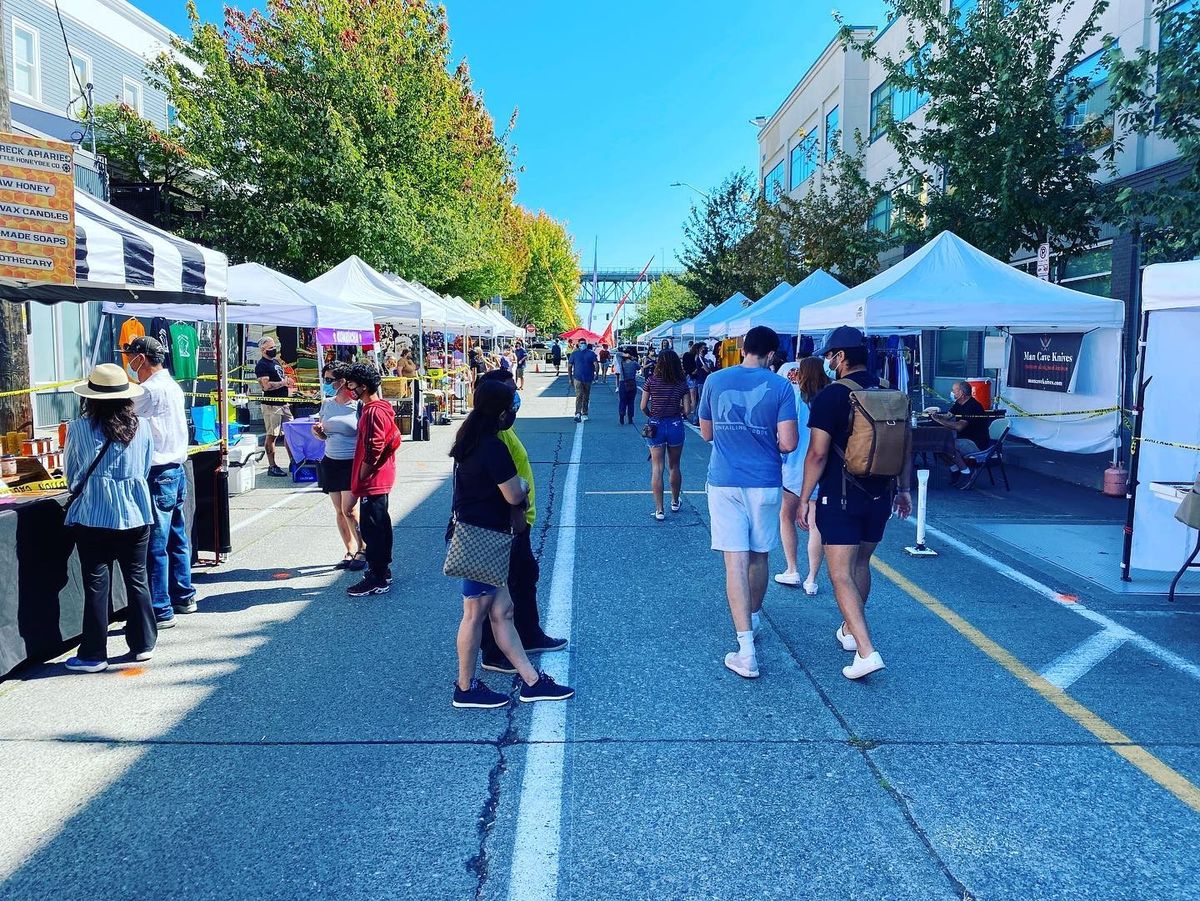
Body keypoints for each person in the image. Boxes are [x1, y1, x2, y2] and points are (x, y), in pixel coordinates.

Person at [448, 379, 574, 708]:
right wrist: (522, 485)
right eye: (511, 407)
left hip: (483, 536)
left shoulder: (470, 438)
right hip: (485, 539)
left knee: (502, 612)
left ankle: (532, 681)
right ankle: (465, 687)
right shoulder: (492, 446)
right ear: (502, 411)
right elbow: (513, 493)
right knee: (474, 614)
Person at [798, 326, 912, 681]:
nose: (828, 361)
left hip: (841, 494)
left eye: (830, 355)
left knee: (839, 573)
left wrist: (805, 498)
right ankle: (850, 631)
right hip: (881, 494)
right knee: (862, 562)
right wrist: (904, 490)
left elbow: (817, 453)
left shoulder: (831, 397)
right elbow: (906, 446)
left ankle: (866, 650)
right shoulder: (890, 393)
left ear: (841, 358)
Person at [698, 326, 798, 680]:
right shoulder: (782, 387)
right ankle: (753, 618)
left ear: (742, 348)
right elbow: (788, 443)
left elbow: (707, 433)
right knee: (759, 556)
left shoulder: (715, 380)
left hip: (725, 480)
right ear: (771, 354)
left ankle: (745, 650)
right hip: (766, 482)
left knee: (734, 563)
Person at [63, 364, 156, 673]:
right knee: (137, 578)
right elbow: (144, 469)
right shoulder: (142, 426)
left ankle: (93, 654)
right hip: (136, 511)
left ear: (91, 398)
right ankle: (143, 643)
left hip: (94, 514)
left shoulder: (78, 428)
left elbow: (73, 474)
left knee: (96, 584)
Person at [475, 370, 568, 673]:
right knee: (497, 593)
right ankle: (495, 651)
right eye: (510, 392)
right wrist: (521, 494)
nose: (516, 397)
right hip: (505, 524)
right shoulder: (492, 437)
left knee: (524, 579)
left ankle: (529, 634)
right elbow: (503, 486)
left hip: (518, 521)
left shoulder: (502, 428)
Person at [126, 337, 196, 628]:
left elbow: (126, 414)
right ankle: (183, 595)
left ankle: (161, 606)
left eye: (130, 356)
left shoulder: (150, 390)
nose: (128, 362)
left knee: (157, 542)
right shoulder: (171, 385)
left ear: (141, 358)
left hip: (159, 471)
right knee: (177, 538)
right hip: (176, 468)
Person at [345, 362, 402, 597]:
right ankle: (382, 571)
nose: (349, 389)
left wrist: (362, 475)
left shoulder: (373, 411)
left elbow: (374, 447)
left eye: (352, 384)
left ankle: (378, 576)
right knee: (379, 525)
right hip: (380, 476)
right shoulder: (380, 408)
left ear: (364, 386)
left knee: (374, 529)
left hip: (374, 478)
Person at [775, 359, 829, 594]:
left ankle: (792, 568)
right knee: (817, 525)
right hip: (822, 469)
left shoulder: (795, 400)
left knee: (786, 516)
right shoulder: (830, 399)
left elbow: (785, 435)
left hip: (795, 468)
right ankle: (812, 578)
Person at [314, 363, 366, 571]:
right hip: (331, 460)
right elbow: (322, 431)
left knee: (350, 510)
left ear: (343, 381)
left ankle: (363, 547)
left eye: (329, 379)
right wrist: (318, 433)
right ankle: (350, 549)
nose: (326, 383)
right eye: (325, 379)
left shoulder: (357, 406)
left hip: (351, 462)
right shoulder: (327, 404)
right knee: (339, 510)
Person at [641, 349, 692, 520]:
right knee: (674, 465)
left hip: (656, 425)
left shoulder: (651, 381)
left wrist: (652, 416)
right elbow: (688, 410)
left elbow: (642, 406)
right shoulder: (681, 383)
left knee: (657, 468)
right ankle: (675, 501)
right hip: (675, 424)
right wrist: (677, 410)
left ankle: (659, 509)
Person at [929, 381, 992, 484]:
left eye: (954, 391)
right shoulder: (959, 403)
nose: (952, 393)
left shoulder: (973, 406)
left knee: (944, 444)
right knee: (936, 446)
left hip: (975, 442)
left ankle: (966, 472)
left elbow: (959, 427)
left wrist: (939, 420)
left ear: (961, 393)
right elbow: (948, 417)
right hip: (963, 440)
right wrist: (936, 416)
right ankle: (955, 469)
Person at [255, 335, 293, 477]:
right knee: (272, 435)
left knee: (291, 432)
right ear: (263, 350)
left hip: (284, 403)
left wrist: (287, 383)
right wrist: (282, 383)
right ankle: (272, 466)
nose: (274, 349)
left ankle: (293, 461)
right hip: (271, 405)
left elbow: (280, 379)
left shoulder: (276, 362)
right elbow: (265, 386)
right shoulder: (262, 365)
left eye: (274, 347)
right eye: (271, 348)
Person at [572, 340, 599, 423]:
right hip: (577, 378)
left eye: (584, 343)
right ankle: (577, 413)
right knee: (579, 395)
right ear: (578, 345)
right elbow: (570, 365)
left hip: (588, 378)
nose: (583, 344)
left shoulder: (591, 354)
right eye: (581, 343)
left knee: (586, 396)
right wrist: (570, 377)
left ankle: (585, 413)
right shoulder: (575, 354)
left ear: (586, 344)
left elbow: (596, 364)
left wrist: (596, 374)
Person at [616, 346, 640, 425]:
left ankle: (621, 415)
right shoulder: (634, 363)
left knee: (622, 401)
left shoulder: (621, 363)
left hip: (623, 383)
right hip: (632, 383)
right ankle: (630, 418)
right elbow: (639, 368)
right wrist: (633, 358)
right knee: (631, 402)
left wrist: (625, 355)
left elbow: (617, 354)